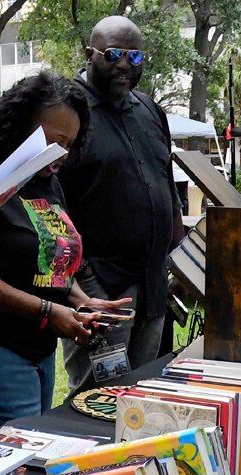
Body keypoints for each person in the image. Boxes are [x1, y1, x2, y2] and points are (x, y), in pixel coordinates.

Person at [0, 71, 130, 436]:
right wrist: (46, 311)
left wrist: (80, 300)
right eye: (54, 142)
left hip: (37, 342)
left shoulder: (45, 177)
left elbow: (43, 257)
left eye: (69, 145)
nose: (62, 156)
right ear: (21, 127)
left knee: (35, 453)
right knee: (20, 459)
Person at [56, 16, 183, 390]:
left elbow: (164, 185)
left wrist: (179, 260)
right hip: (101, 288)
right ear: (89, 54)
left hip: (154, 286)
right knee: (97, 400)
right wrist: (84, 281)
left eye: (134, 56)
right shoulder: (68, 112)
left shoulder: (149, 110)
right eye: (112, 54)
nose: (124, 65)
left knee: (143, 395)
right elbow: (51, 202)